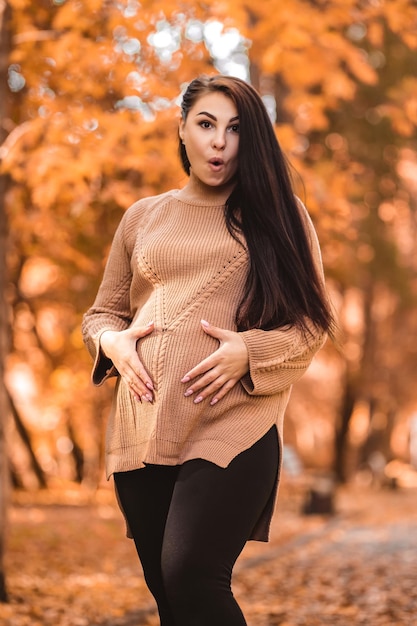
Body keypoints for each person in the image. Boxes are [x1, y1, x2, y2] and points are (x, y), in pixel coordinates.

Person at [82, 74, 335, 626]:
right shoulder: (141, 217)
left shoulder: (278, 214)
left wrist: (249, 352)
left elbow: (313, 324)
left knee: (191, 576)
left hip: (234, 425)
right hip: (144, 427)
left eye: (235, 129)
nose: (219, 142)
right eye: (205, 124)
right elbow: (102, 313)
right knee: (171, 600)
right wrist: (110, 341)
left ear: (252, 141)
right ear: (183, 130)